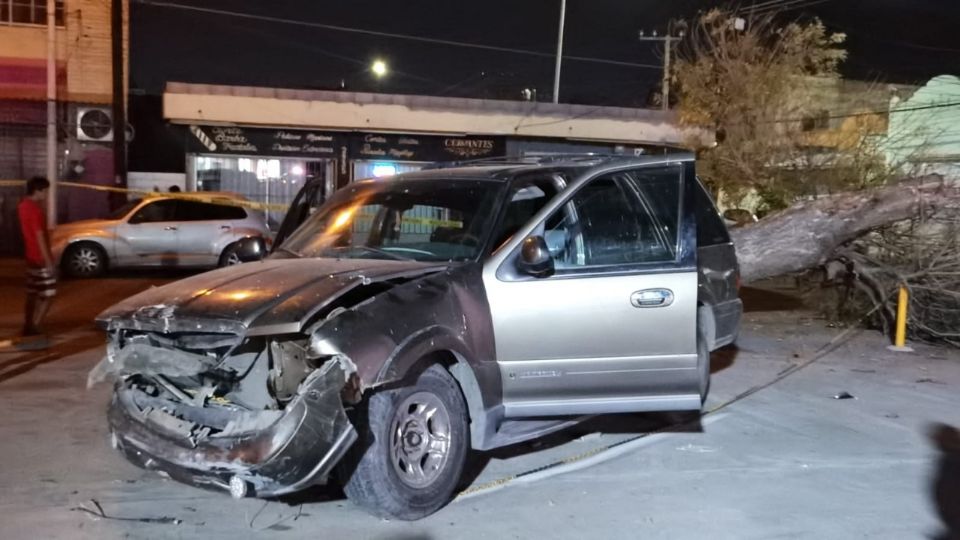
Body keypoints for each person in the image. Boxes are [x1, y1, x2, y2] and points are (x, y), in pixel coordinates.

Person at [18, 176, 56, 337]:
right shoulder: (35, 210)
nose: (46, 194)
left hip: (30, 256)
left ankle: (28, 323)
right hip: (39, 258)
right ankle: (36, 324)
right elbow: (39, 235)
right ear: (38, 190)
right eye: (45, 191)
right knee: (49, 293)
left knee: (32, 293)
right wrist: (48, 262)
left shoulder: (22, 206)